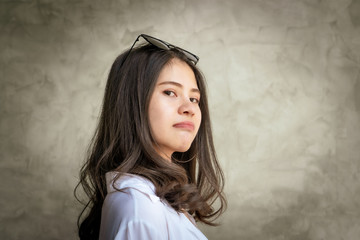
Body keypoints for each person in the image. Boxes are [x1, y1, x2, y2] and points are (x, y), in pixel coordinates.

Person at [75, 34, 226, 240]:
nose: (189, 108)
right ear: (131, 103)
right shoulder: (139, 211)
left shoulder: (157, 201)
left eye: (194, 98)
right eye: (170, 92)